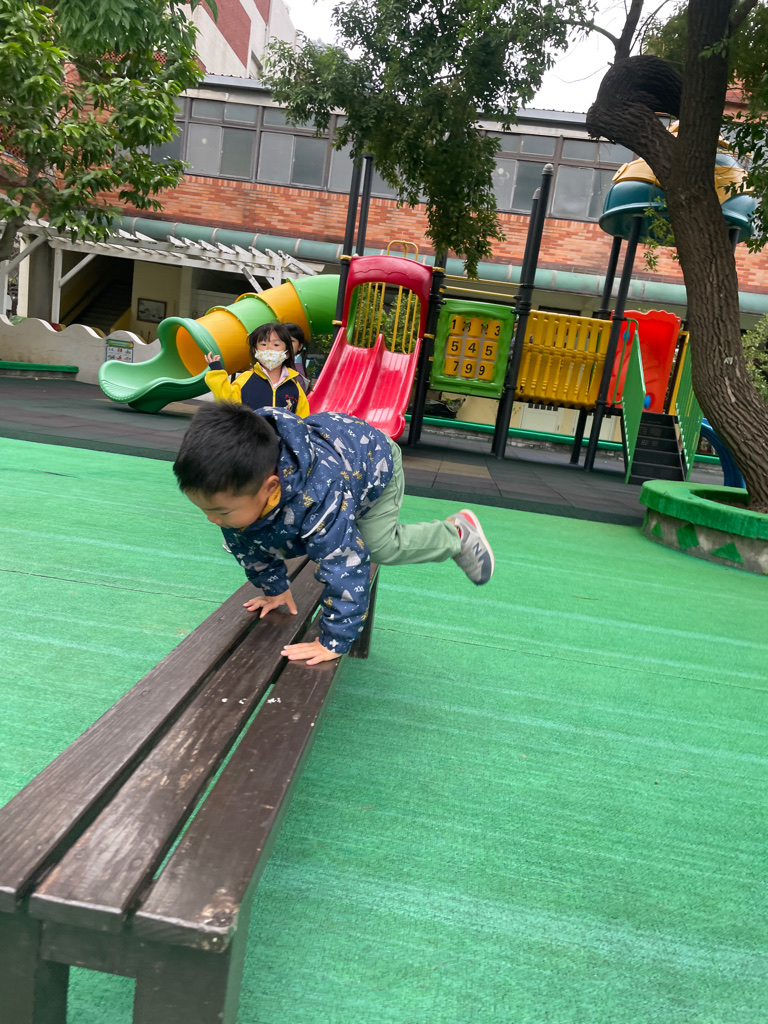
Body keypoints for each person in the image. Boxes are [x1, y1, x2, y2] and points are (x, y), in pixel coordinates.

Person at [174, 403, 494, 665]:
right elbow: (248, 545)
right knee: (252, 528)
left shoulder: (317, 498)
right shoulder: (238, 491)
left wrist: (334, 640)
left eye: (220, 511)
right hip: (340, 461)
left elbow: (346, 564)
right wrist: (275, 588)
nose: (212, 519)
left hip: (374, 463)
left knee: (377, 546)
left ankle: (455, 534)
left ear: (269, 487)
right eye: (204, 509)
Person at [204, 322, 309, 416]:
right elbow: (227, 402)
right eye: (263, 344)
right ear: (255, 351)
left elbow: (302, 417)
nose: (269, 348)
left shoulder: (294, 385)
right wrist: (217, 373)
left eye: (276, 344)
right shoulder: (246, 379)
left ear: (287, 353)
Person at [283, 322, 311, 392]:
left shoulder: (298, 374)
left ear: (300, 346)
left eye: (291, 341)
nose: (286, 344)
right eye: (281, 340)